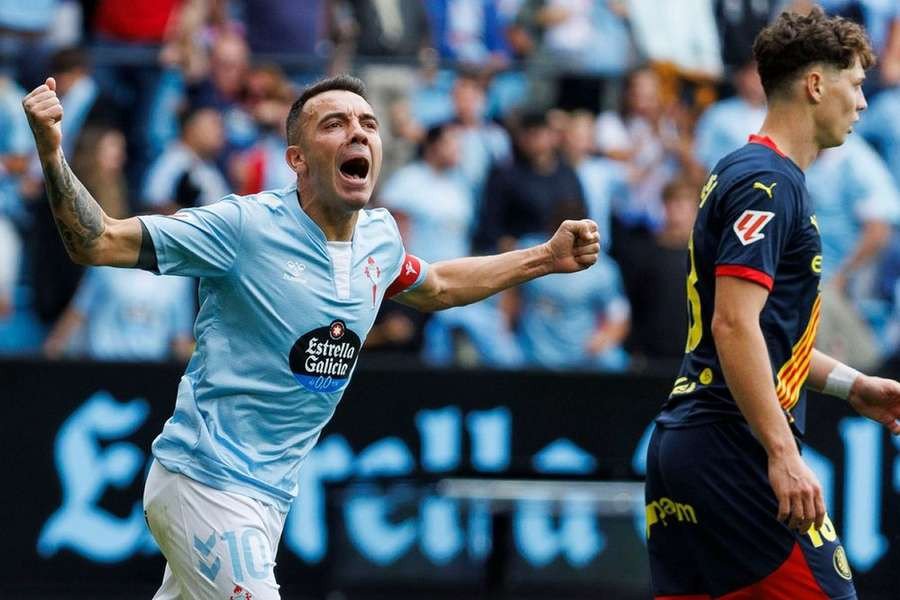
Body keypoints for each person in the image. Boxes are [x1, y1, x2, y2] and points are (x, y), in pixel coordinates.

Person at [23, 73, 600, 599]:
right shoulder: (241, 227)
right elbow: (95, 241)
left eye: (368, 124)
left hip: (268, 498)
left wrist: (544, 258)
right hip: (206, 481)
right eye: (336, 124)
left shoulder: (380, 239)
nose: (358, 132)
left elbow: (441, 285)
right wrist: (51, 148)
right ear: (297, 159)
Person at [645, 9, 900, 599]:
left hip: (688, 444)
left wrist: (852, 385)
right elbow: (733, 325)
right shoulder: (770, 182)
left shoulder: (740, 170)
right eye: (856, 82)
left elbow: (759, 334)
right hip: (734, 447)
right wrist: (782, 453)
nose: (862, 102)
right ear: (816, 85)